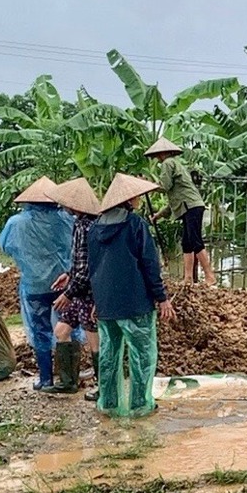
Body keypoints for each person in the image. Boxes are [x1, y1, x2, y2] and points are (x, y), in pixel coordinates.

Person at [89, 173, 175, 418]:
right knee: (141, 356)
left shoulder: (95, 228)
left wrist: (97, 299)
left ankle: (108, 403)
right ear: (129, 199)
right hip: (135, 301)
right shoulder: (136, 225)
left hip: (106, 303)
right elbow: (149, 264)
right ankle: (140, 405)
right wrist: (161, 297)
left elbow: (93, 268)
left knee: (109, 355)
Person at [0, 176, 77, 391]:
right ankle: (69, 377)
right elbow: (76, 247)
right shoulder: (66, 220)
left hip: (34, 285)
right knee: (68, 326)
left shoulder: (16, 223)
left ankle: (45, 378)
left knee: (40, 329)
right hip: (65, 284)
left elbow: (5, 247)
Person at [49, 177, 102, 399]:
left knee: (95, 342)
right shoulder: (80, 224)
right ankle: (68, 382)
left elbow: (90, 267)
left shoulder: (88, 227)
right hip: (78, 289)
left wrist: (69, 293)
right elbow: (80, 262)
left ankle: (103, 387)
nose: (63, 207)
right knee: (61, 331)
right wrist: (68, 275)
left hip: (87, 293)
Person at [146, 138, 215, 285]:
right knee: (187, 243)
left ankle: (210, 276)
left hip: (191, 206)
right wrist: (158, 215)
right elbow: (174, 201)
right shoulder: (175, 165)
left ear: (161, 153)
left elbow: (164, 186)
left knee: (195, 241)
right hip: (190, 206)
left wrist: (147, 185)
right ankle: (188, 278)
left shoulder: (167, 163)